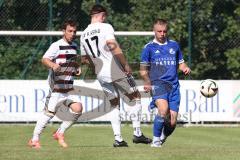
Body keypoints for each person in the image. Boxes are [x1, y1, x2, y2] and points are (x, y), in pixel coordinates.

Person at [80, 4, 152, 147]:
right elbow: (112, 45)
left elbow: (84, 59)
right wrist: (125, 64)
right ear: (102, 15)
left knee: (114, 104)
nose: (105, 18)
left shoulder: (83, 34)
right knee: (135, 96)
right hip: (114, 70)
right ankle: (137, 134)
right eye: (105, 16)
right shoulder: (105, 27)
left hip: (100, 74)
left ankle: (118, 139)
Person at [28, 20, 83, 149]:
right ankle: (34, 139)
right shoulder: (56, 45)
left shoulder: (74, 46)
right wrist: (53, 65)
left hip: (68, 87)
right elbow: (44, 59)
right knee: (49, 114)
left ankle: (59, 133)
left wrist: (76, 68)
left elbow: (71, 63)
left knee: (78, 109)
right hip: (57, 87)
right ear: (63, 31)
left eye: (74, 31)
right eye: (70, 31)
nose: (73, 34)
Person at [139, 18, 191, 147]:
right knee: (163, 110)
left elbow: (181, 63)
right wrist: (147, 82)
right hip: (158, 84)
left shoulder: (174, 45)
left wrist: (184, 67)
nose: (162, 34)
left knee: (172, 123)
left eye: (164, 31)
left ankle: (162, 137)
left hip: (174, 86)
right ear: (154, 31)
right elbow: (143, 70)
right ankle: (155, 141)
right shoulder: (148, 48)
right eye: (159, 31)